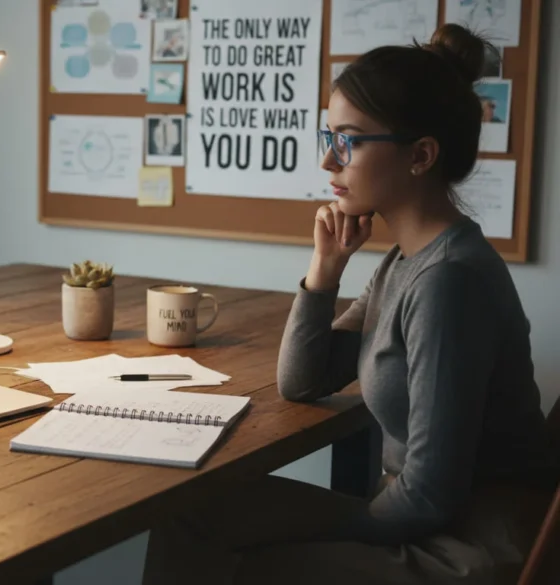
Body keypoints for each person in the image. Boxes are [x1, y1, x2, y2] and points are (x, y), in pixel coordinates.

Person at [143, 24, 558, 585]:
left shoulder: (450, 282)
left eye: (350, 140)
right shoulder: (406, 262)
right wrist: (326, 269)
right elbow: (304, 379)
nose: (328, 163)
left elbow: (429, 498)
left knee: (238, 561)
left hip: (467, 546)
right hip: (418, 516)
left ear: (421, 155)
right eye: (328, 137)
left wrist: (314, 526)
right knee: (188, 514)